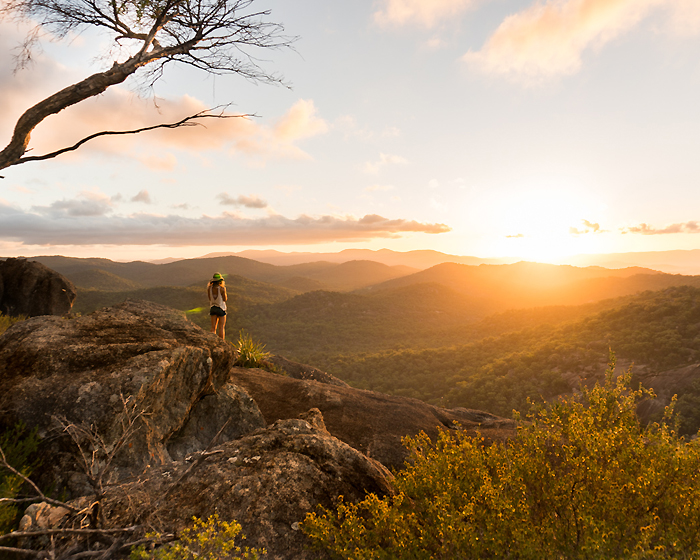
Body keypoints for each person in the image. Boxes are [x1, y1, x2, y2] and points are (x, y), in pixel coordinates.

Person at [207, 272, 227, 340]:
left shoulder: (209, 288)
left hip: (213, 308)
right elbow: (225, 299)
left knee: (213, 327)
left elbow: (210, 298)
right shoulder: (222, 289)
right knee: (221, 327)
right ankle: (222, 343)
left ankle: (212, 341)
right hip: (221, 308)